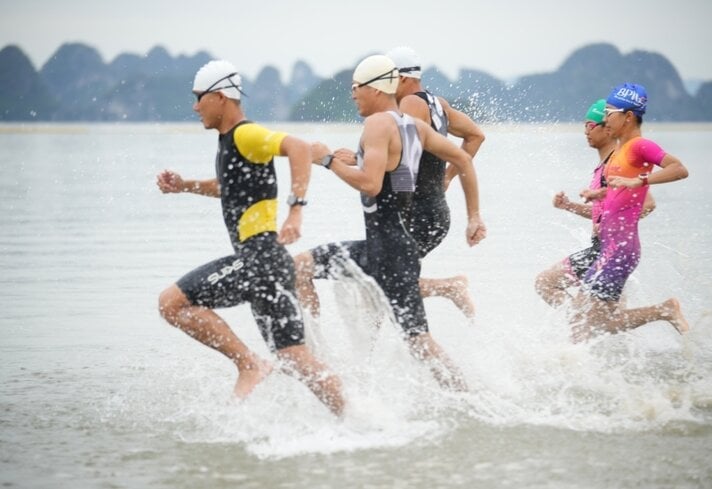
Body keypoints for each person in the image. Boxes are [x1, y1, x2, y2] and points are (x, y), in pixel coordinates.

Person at [155, 60, 344, 415]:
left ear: (222, 96)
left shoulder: (245, 133)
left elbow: (299, 148)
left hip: (259, 258)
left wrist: (296, 209)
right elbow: (228, 188)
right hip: (270, 263)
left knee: (172, 303)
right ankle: (357, 418)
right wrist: (184, 186)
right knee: (295, 358)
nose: (195, 107)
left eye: (200, 98)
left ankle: (248, 364)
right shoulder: (231, 142)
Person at [297, 55, 485, 390]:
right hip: (388, 246)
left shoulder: (378, 124)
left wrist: (326, 161)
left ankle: (319, 365)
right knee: (301, 268)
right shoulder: (413, 125)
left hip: (389, 249)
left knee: (419, 342)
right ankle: (321, 366)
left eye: (357, 87)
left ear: (374, 88)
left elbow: (369, 183)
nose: (353, 94)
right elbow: (462, 159)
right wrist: (473, 215)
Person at [568, 83, 690, 342]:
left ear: (628, 116)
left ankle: (572, 371)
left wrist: (642, 181)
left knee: (582, 316)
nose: (605, 118)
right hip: (614, 248)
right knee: (600, 322)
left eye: (610, 113)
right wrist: (598, 195)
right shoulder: (620, 152)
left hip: (619, 250)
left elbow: (679, 169)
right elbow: (621, 194)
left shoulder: (639, 146)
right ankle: (664, 310)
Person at [385, 46, 486, 317]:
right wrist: (447, 176)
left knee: (387, 281)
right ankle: (404, 350)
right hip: (433, 211)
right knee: (392, 285)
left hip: (418, 213)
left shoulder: (410, 104)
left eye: (386, 79)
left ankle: (450, 288)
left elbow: (401, 158)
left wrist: (360, 163)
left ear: (403, 78)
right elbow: (476, 136)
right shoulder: (437, 103)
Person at [535, 98, 656, 307]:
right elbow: (604, 211)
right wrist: (569, 206)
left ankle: (578, 322)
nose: (585, 132)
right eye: (584, 126)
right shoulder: (603, 165)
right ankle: (581, 324)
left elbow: (648, 204)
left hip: (609, 250)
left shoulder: (617, 164)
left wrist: (614, 225)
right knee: (609, 325)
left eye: (590, 126)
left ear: (607, 129)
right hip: (605, 249)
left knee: (546, 283)